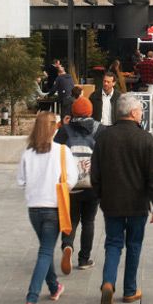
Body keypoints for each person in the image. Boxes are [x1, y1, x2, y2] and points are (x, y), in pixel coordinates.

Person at [90, 95, 153, 304]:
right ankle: (130, 289)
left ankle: (108, 282)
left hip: (111, 202)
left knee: (113, 244)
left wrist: (101, 196)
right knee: (134, 245)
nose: (141, 114)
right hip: (137, 204)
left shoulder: (104, 138)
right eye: (140, 111)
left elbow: (95, 173)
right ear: (133, 113)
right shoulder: (144, 139)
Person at [17, 111, 78, 304]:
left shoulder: (28, 152)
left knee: (46, 248)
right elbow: (71, 180)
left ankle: (54, 287)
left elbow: (21, 181)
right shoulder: (62, 151)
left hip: (34, 208)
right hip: (54, 206)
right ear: (55, 128)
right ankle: (32, 298)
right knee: (45, 251)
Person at [55, 97, 102, 274]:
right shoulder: (99, 129)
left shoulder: (65, 131)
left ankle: (67, 246)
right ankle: (84, 259)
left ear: (72, 113)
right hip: (92, 184)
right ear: (90, 112)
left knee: (72, 219)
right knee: (88, 221)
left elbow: (54, 152)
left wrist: (63, 124)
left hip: (70, 184)